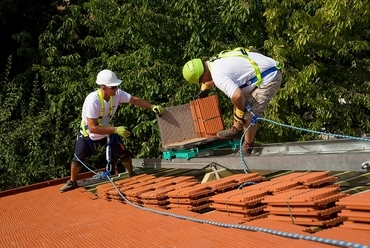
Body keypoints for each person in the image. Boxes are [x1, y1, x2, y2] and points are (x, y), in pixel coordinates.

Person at [60, 69, 164, 192]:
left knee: (123, 153)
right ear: (103, 87)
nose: (116, 89)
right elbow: (93, 127)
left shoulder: (117, 94)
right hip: (89, 133)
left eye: (116, 86)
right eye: (113, 87)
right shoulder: (93, 101)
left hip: (106, 131)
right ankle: (72, 182)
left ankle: (131, 174)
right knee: (78, 159)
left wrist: (151, 106)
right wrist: (115, 130)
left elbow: (135, 100)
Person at [182, 47, 282, 155]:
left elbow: (237, 96)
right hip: (263, 68)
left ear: (205, 76)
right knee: (238, 101)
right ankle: (237, 130)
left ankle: (247, 146)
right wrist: (204, 91)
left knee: (248, 114)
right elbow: (210, 80)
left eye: (202, 81)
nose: (204, 82)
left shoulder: (217, 75)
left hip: (270, 76)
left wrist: (240, 110)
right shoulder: (213, 62)